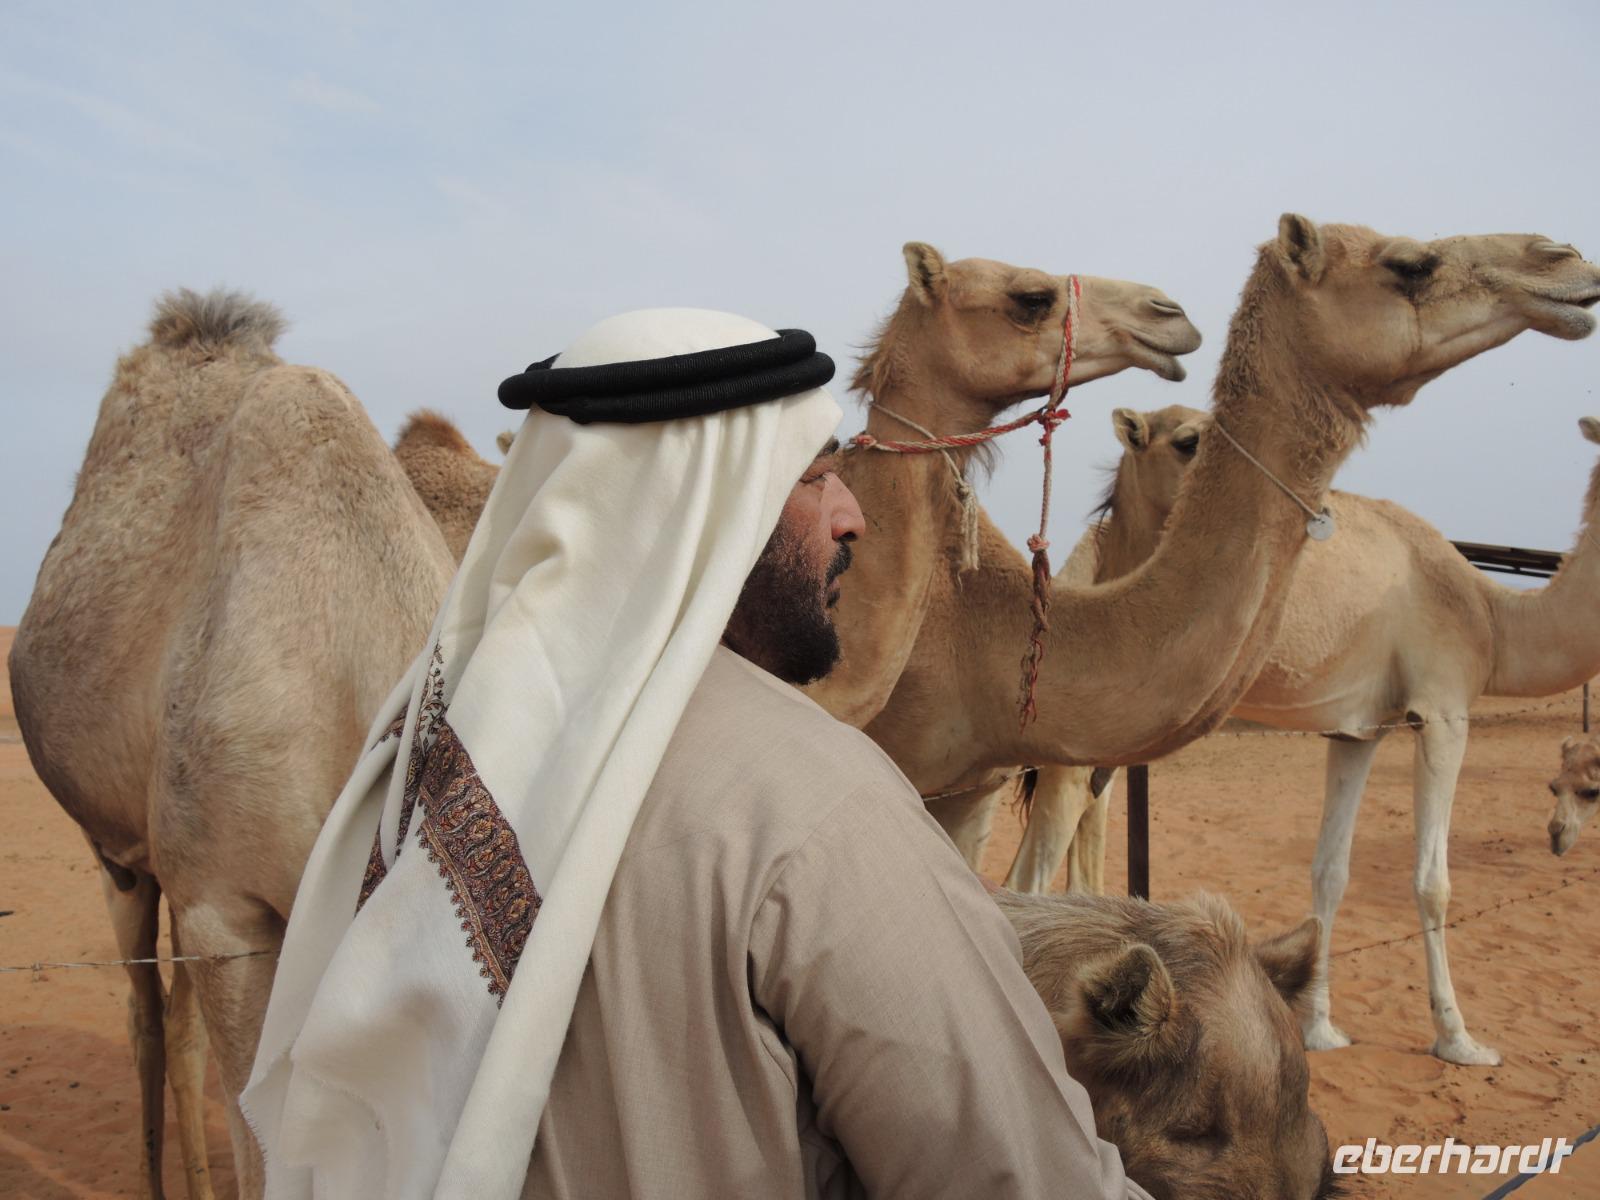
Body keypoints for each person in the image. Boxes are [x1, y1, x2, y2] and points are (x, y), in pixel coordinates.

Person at [243, 309, 1150, 1200]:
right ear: (704, 509)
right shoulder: (814, 809)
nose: (851, 518)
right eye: (812, 478)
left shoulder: (433, 738)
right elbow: (1017, 1171)